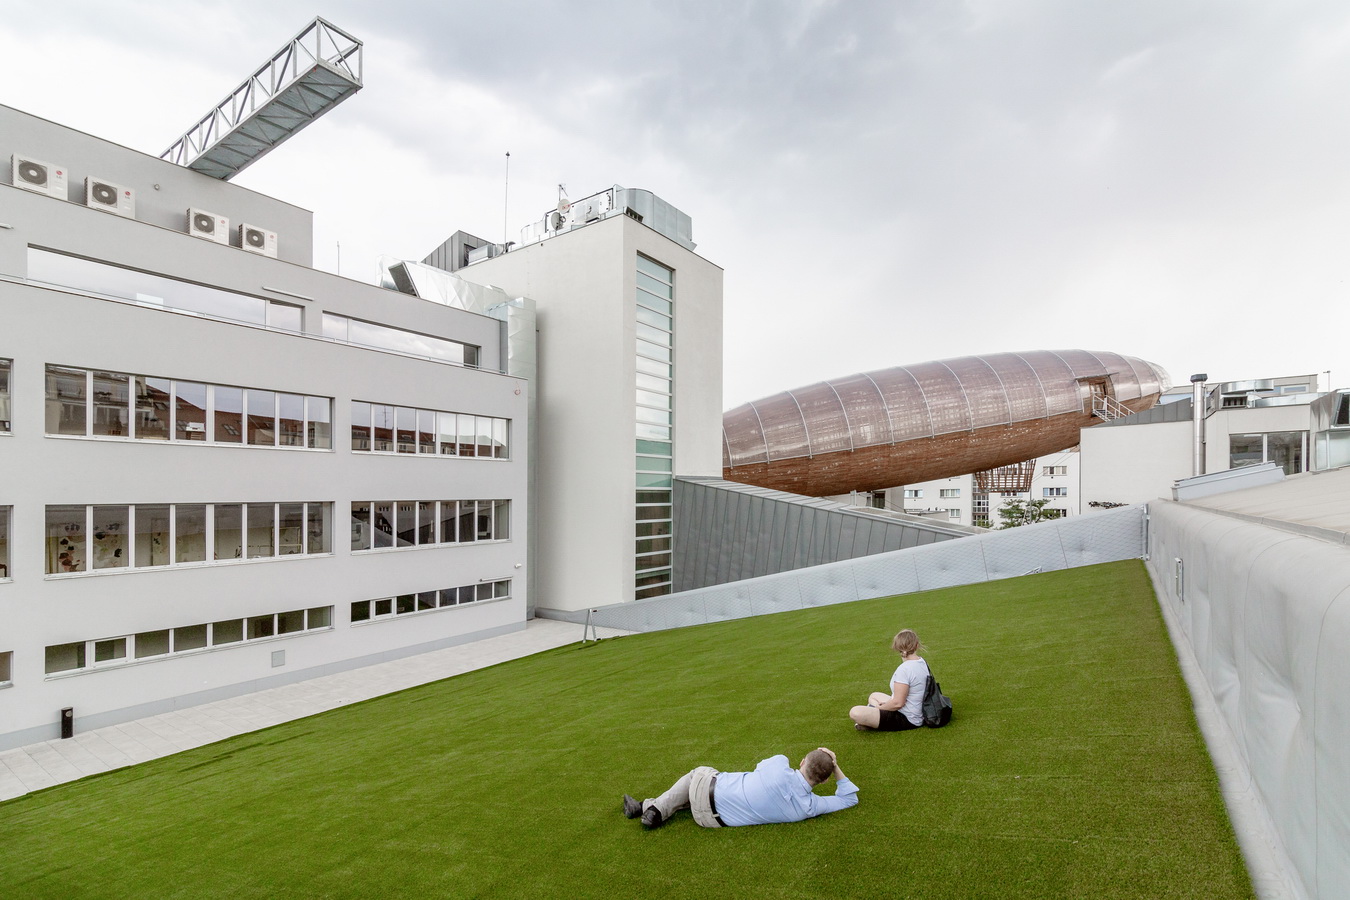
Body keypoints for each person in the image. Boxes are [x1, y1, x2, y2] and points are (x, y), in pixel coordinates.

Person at [622, 747, 857, 829]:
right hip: (710, 821)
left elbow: (759, 766)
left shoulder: (779, 763)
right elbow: (849, 799)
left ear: (802, 762)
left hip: (707, 789)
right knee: (694, 793)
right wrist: (835, 767)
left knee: (698, 772)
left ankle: (653, 809)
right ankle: (647, 807)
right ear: (825, 781)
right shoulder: (809, 807)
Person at [850, 628, 928, 731]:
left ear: (897, 647)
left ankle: (870, 720)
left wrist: (880, 708)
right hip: (915, 711)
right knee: (874, 696)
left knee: (855, 712)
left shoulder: (904, 669)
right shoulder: (921, 662)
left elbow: (898, 703)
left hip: (906, 717)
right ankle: (870, 719)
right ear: (917, 645)